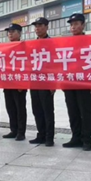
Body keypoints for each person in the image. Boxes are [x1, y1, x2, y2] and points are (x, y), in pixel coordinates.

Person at [62, 13, 91, 151]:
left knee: (85, 112)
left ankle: (87, 139)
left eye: (76, 24)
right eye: (71, 24)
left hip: (85, 82)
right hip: (70, 82)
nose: (73, 27)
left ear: (83, 25)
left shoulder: (90, 41)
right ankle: (76, 137)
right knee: (73, 111)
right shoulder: (66, 42)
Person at [29, 17, 55, 146]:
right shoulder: (32, 44)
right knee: (37, 110)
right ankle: (41, 134)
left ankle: (49, 137)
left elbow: (55, 65)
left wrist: (53, 84)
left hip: (47, 82)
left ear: (46, 27)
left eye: (40, 25)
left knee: (47, 111)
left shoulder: (51, 43)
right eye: (36, 26)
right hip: (34, 81)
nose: (37, 28)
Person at [2, 23, 29, 141]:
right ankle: (13, 129)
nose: (10, 34)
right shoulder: (7, 47)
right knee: (10, 107)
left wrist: (23, 83)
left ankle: (21, 132)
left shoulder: (24, 46)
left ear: (19, 33)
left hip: (19, 83)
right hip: (8, 82)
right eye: (9, 32)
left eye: (13, 31)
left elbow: (27, 66)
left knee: (20, 108)